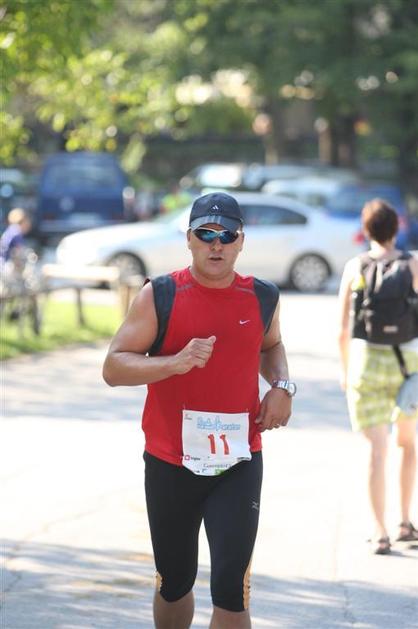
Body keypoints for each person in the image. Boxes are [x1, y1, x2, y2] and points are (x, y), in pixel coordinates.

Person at [103, 191, 296, 628]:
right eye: (206, 234)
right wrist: (173, 363)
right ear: (189, 239)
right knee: (174, 581)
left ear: (241, 241)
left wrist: (282, 386)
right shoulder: (161, 294)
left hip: (239, 461)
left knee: (231, 590)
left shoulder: (262, 296)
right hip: (171, 461)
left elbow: (271, 345)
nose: (216, 244)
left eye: (227, 235)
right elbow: (113, 367)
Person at [338, 198, 418, 555]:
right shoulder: (412, 263)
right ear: (396, 229)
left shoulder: (355, 266)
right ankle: (405, 521)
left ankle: (379, 530)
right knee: (408, 445)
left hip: (366, 364)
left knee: (376, 451)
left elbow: (342, 329)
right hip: (407, 365)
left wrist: (345, 371)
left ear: (366, 230)